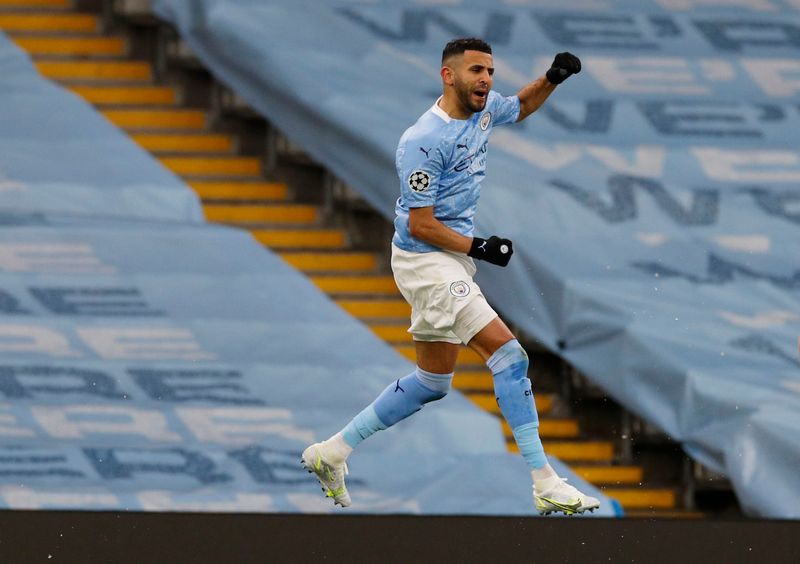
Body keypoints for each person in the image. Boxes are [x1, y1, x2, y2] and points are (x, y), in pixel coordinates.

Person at [303, 37, 599, 516]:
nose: (486, 80)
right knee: (509, 355)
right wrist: (481, 246)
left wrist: (552, 79)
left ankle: (332, 452)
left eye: (490, 71)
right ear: (448, 75)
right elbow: (420, 224)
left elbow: (521, 106)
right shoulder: (423, 141)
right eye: (476, 71)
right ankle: (545, 482)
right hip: (425, 259)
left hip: (446, 259)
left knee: (432, 382)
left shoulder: (484, 111)